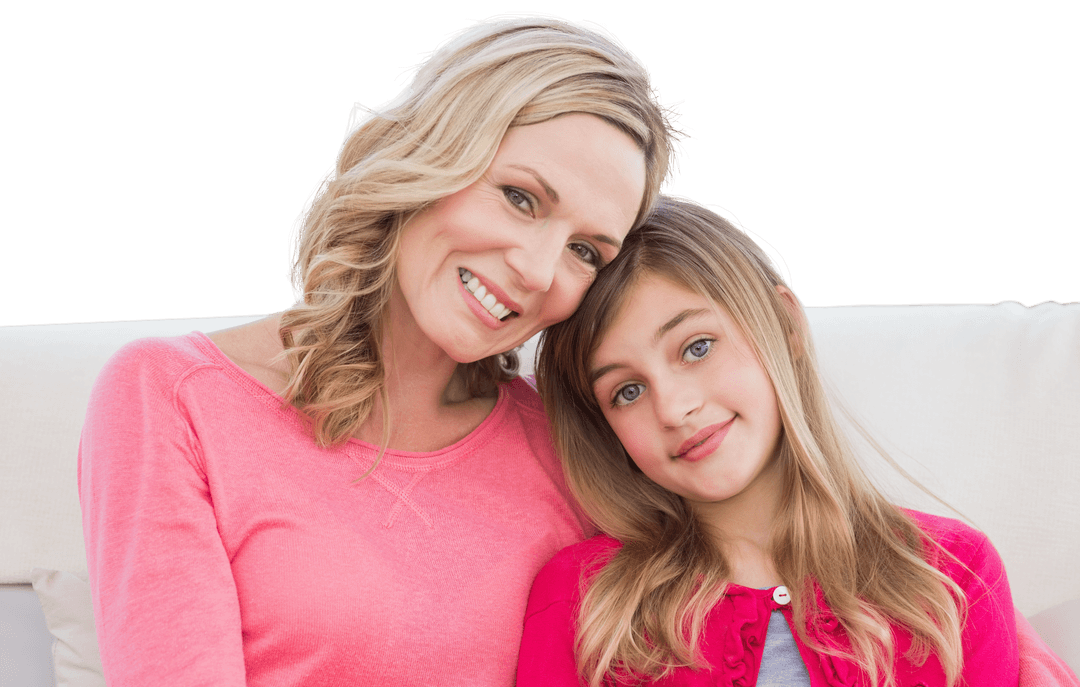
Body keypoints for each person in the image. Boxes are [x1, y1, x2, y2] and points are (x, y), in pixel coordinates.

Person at [78, 13, 687, 686]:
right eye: (520, 198)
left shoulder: (568, 448)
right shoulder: (171, 397)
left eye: (584, 251)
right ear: (431, 155)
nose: (540, 271)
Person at [519, 194, 1021, 686]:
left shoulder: (952, 576)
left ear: (784, 325)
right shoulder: (581, 601)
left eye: (697, 347)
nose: (673, 409)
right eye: (627, 391)